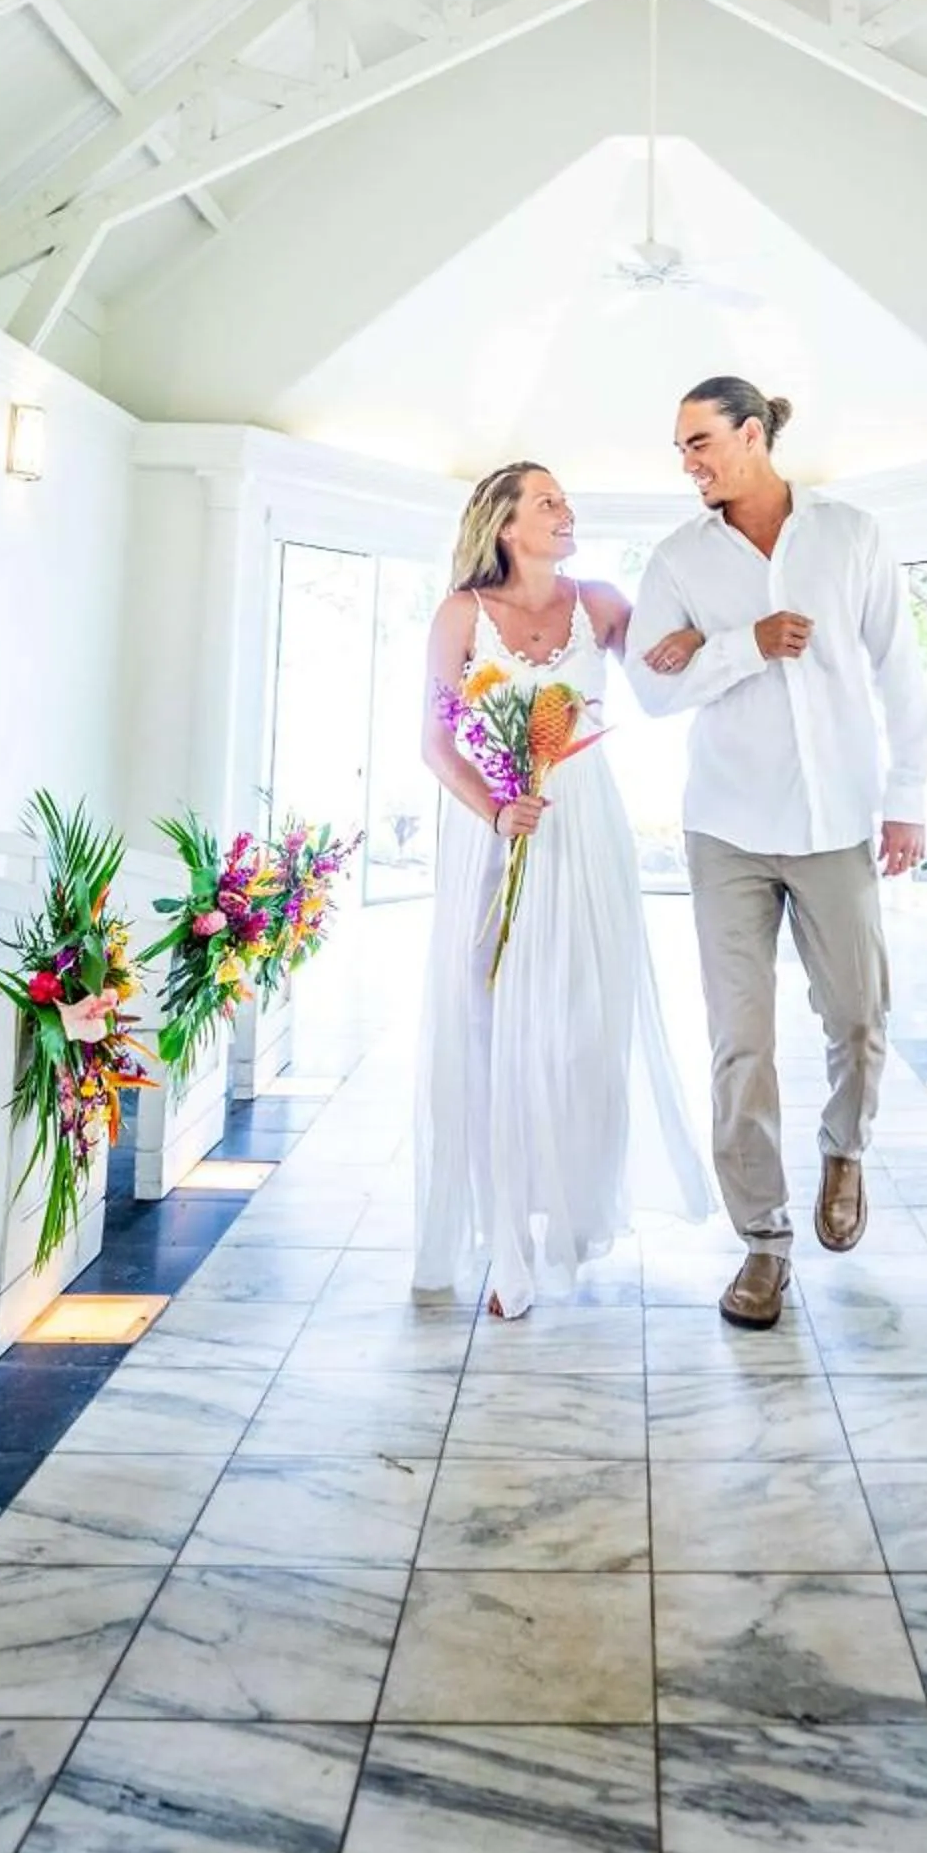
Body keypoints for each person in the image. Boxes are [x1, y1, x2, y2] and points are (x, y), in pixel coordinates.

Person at [627, 380, 927, 1329]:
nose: (689, 462)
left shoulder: (851, 537)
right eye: (682, 448)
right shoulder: (676, 561)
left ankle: (846, 1150)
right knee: (740, 1043)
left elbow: (901, 670)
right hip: (726, 830)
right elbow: (648, 688)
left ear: (752, 435)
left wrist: (907, 800)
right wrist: (739, 646)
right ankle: (763, 1242)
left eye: (700, 442)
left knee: (858, 1013)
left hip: (839, 819)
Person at [413, 461, 712, 1318]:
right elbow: (436, 743)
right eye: (548, 501)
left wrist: (692, 641)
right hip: (500, 831)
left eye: (564, 500)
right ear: (507, 524)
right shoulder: (461, 614)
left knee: (584, 1027)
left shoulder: (602, 602)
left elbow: (659, 678)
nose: (566, 510)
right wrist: (496, 808)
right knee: (494, 1030)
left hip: (586, 831)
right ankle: (505, 1246)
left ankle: (569, 1218)